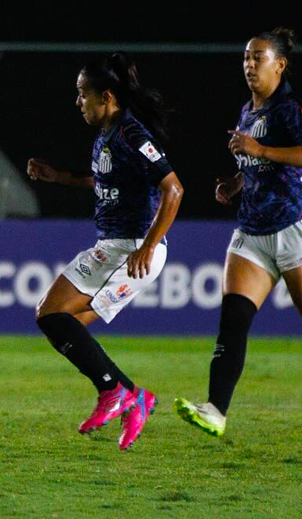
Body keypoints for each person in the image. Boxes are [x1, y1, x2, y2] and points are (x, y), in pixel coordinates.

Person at [26, 52, 183, 450]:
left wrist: (148, 245)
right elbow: (107, 183)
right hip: (109, 246)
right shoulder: (106, 135)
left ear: (106, 96)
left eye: (83, 94)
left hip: (132, 250)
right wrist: (57, 176)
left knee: (61, 318)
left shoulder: (132, 133)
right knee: (54, 317)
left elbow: (174, 189)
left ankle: (117, 393)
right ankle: (132, 395)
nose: (78, 103)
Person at [175, 27, 298, 437]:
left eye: (257, 57)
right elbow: (258, 164)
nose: (249, 64)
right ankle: (215, 409)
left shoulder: (290, 109)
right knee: (233, 319)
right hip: (252, 233)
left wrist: (259, 150)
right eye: (246, 57)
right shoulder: (248, 111)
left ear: (279, 65)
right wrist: (236, 183)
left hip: (293, 229)